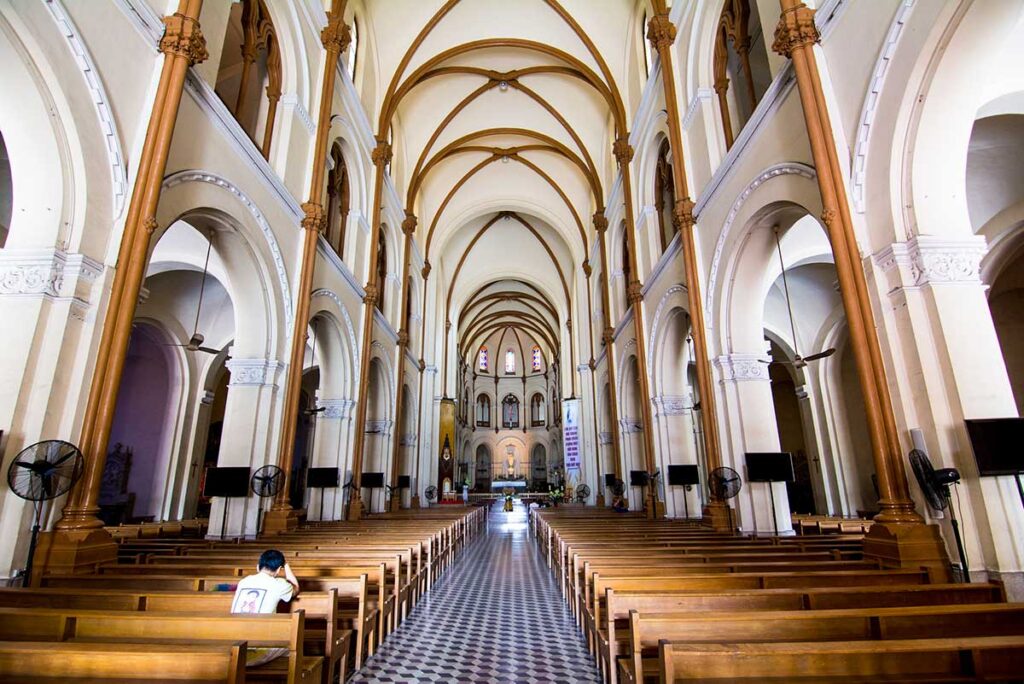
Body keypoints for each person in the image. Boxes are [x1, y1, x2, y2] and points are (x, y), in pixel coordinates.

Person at [230, 549, 300, 666]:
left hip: (233, 642)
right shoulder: (279, 584)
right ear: (278, 570)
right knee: (292, 647)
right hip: (256, 648)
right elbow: (296, 587)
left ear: (258, 567)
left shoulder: (244, 581)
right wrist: (286, 565)